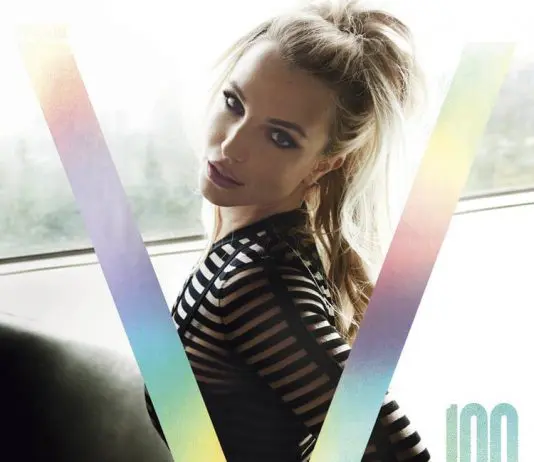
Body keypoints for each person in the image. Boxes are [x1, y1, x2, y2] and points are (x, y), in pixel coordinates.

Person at [145, 0, 431, 460]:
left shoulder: (254, 283)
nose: (231, 144)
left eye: (279, 137)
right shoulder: (254, 249)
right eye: (234, 103)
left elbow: (395, 449)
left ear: (324, 164)